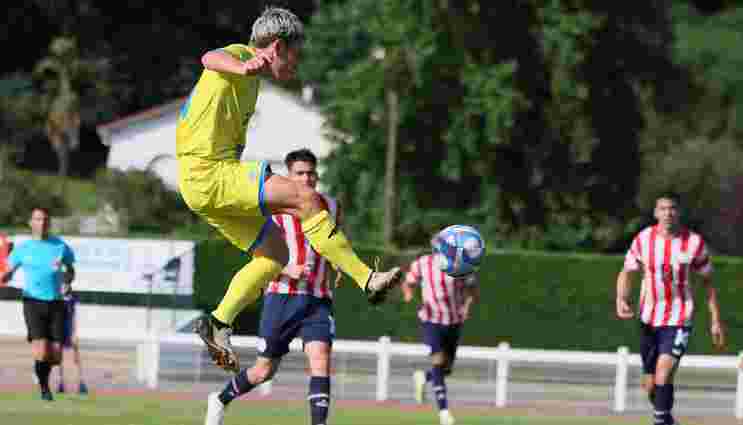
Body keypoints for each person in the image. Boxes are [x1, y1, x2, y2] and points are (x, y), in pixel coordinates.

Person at [175, 6, 402, 373]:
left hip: (201, 183)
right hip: (210, 173)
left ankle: (217, 323)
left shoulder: (252, 80)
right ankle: (367, 278)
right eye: (296, 56)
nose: (297, 66)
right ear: (277, 46)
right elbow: (209, 57)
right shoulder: (240, 56)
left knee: (274, 254)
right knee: (305, 197)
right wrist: (240, 66)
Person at [205, 148, 343, 425]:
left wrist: (338, 263)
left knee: (321, 358)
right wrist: (286, 267)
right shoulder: (271, 209)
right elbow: (258, 256)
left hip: (318, 299)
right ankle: (220, 399)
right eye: (299, 173)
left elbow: (335, 239)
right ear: (289, 176)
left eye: (311, 172)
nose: (306, 178)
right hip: (282, 298)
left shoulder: (331, 205)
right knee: (263, 370)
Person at [616, 192, 725, 425]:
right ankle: (666, 419)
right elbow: (627, 271)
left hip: (678, 319)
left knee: (663, 373)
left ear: (679, 212)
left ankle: (660, 421)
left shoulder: (694, 243)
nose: (668, 213)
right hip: (648, 319)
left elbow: (708, 282)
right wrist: (621, 298)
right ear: (656, 213)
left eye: (672, 208)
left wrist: (715, 320)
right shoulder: (643, 239)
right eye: (663, 208)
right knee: (651, 384)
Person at [0, 207, 76, 401]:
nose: (41, 223)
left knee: (57, 355)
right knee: (42, 352)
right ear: (31, 223)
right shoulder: (23, 248)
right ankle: (44, 388)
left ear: (48, 223)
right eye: (37, 219)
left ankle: (40, 370)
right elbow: (7, 271)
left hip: (56, 303)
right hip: (32, 302)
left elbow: (70, 270)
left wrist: (67, 281)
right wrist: (6, 276)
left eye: (44, 220)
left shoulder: (60, 246)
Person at [402, 239, 480, 425]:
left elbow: (473, 291)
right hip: (431, 320)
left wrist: (467, 306)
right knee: (438, 361)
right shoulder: (422, 264)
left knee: (446, 368)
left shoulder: (462, 266)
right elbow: (408, 282)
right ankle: (444, 412)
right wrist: (408, 293)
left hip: (453, 321)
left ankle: (424, 377)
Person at [56, 283, 88, 395]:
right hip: (59, 331)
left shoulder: (71, 300)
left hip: (69, 330)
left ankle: (81, 383)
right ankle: (61, 384)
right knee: (59, 358)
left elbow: (73, 317)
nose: (62, 288)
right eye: (61, 286)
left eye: (64, 286)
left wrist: (74, 332)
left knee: (76, 357)